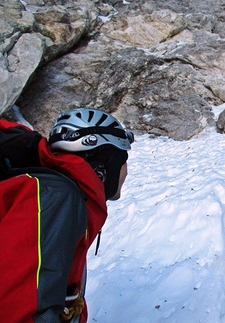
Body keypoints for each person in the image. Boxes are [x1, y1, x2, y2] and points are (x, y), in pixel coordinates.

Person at [0, 108, 134, 322]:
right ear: (105, 164)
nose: (125, 169)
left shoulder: (58, 194)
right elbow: (20, 307)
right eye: (122, 158)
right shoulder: (57, 198)